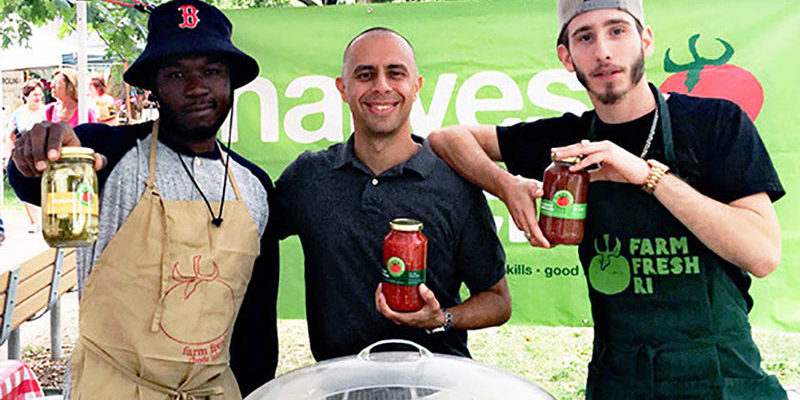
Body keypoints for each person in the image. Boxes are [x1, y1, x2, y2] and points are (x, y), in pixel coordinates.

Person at [427, 1, 786, 399]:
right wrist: (506, 185)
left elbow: (762, 254)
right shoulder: (569, 141)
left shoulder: (716, 123)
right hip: (621, 379)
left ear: (645, 41)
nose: (603, 51)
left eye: (617, 30)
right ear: (566, 57)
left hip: (721, 377)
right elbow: (447, 138)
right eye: (585, 37)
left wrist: (647, 175)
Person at [8, 0, 278, 398]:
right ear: (153, 86)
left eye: (212, 71)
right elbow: (36, 177)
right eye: (176, 73)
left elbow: (255, 327)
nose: (197, 86)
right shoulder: (109, 153)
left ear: (231, 82)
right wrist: (34, 156)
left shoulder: (254, 185)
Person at [272, 27, 511, 361]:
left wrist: (441, 318)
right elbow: (245, 237)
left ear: (416, 86)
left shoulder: (455, 183)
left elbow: (498, 301)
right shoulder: (309, 178)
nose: (381, 86)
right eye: (365, 74)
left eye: (395, 73)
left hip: (437, 385)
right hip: (340, 386)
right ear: (343, 88)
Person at [5, 80, 47, 233]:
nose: (38, 98)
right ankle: (33, 221)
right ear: (26, 96)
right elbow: (11, 136)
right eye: (35, 94)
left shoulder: (46, 111)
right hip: (23, 154)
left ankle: (46, 218)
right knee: (26, 184)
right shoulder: (19, 113)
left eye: (40, 95)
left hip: (43, 154)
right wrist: (8, 154)